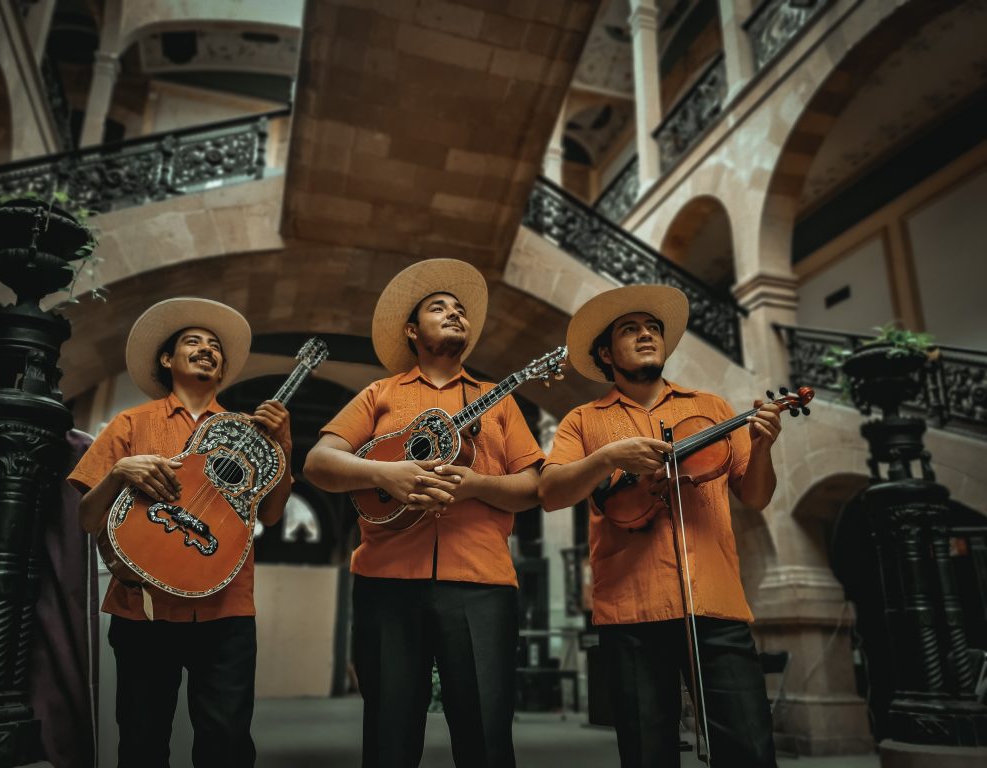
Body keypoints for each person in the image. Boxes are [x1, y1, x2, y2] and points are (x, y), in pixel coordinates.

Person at [304, 258, 543, 768]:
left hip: (481, 582)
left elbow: (533, 486)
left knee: (486, 735)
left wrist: (477, 485)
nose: (455, 314)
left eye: (460, 310)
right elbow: (319, 462)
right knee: (389, 732)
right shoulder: (380, 393)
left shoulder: (497, 402)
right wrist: (384, 475)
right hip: (387, 578)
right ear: (413, 330)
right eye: (440, 307)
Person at [538, 284, 782, 768]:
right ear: (606, 353)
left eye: (653, 328)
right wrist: (608, 458)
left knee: (750, 750)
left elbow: (755, 495)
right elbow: (551, 492)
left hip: (715, 602)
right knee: (648, 754)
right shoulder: (582, 421)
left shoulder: (710, 408)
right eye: (630, 330)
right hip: (631, 610)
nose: (647, 335)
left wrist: (764, 446)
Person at [68, 297, 292, 768]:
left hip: (226, 606)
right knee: (142, 741)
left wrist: (284, 444)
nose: (207, 348)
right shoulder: (130, 424)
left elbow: (270, 515)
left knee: (227, 743)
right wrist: (119, 473)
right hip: (142, 607)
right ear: (167, 360)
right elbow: (87, 519)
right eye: (194, 341)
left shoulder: (245, 432)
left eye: (215, 346)